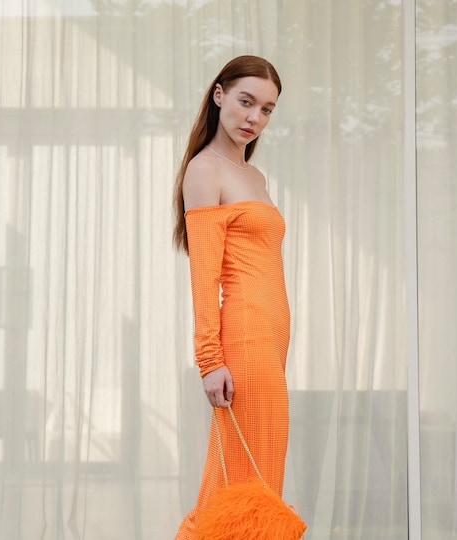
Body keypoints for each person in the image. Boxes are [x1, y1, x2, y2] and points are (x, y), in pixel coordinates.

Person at [173, 55, 290, 539]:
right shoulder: (205, 171)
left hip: (270, 342)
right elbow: (204, 275)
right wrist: (209, 360)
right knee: (245, 485)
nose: (253, 117)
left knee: (255, 484)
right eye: (246, 101)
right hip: (244, 342)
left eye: (266, 109)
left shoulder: (255, 177)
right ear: (219, 95)